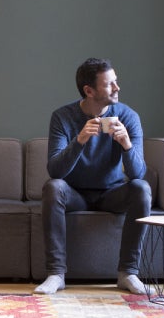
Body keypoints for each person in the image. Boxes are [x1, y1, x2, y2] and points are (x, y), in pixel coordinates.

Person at [35, 57, 151, 295]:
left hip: (112, 193)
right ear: (89, 90)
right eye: (110, 84)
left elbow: (138, 174)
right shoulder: (63, 117)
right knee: (53, 187)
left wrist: (126, 145)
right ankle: (56, 274)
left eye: (116, 82)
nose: (117, 88)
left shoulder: (128, 117)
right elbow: (55, 171)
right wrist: (79, 141)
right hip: (75, 193)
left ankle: (128, 272)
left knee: (142, 188)